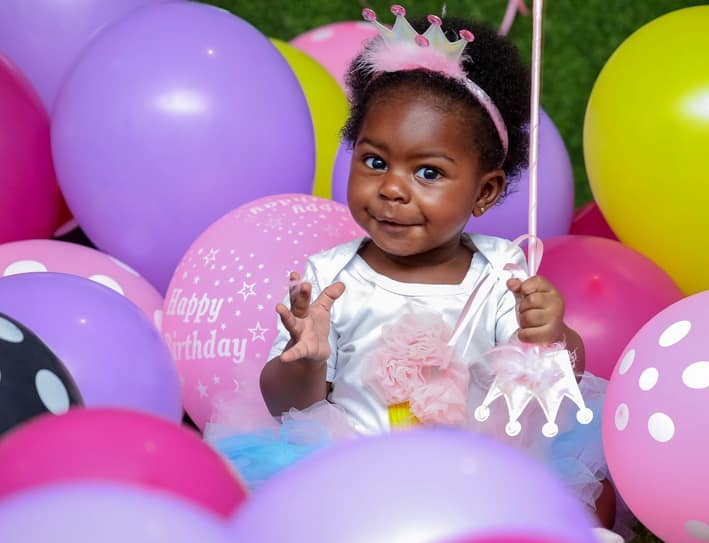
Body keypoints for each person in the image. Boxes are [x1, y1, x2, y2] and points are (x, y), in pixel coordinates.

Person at [212, 6, 620, 537]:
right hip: (354, 480)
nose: (392, 188)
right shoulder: (330, 277)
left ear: (485, 192)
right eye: (375, 161)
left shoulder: (501, 272)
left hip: (476, 477)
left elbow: (552, 384)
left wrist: (548, 336)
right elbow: (286, 407)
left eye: (428, 172)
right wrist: (304, 361)